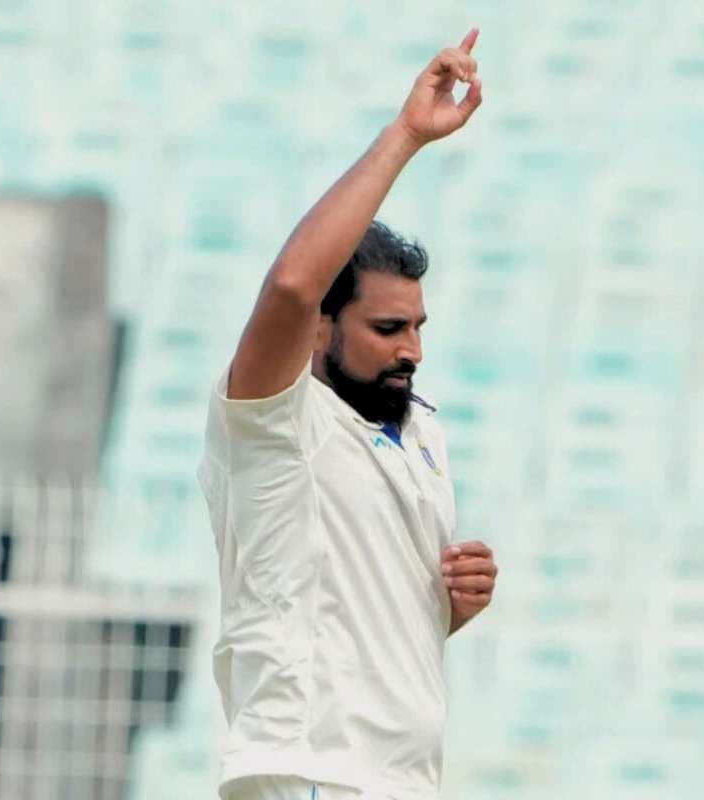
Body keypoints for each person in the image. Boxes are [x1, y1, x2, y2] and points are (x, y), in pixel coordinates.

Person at [198, 27, 499, 800]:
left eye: (419, 328)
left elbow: (359, 621)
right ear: (324, 330)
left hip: (400, 781)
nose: (412, 351)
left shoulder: (417, 431)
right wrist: (406, 137)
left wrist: (449, 605)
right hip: (312, 773)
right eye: (388, 330)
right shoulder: (273, 422)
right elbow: (296, 284)